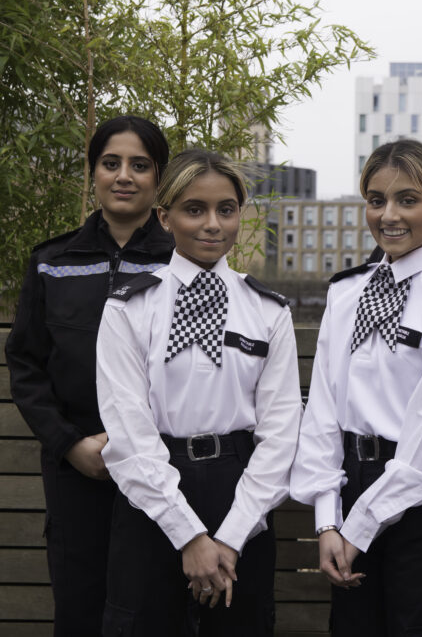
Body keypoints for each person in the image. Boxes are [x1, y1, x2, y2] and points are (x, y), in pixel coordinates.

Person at [96, 149, 301, 636]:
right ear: (165, 217)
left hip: (241, 492)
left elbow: (281, 431)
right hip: (153, 494)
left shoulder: (268, 311)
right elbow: (128, 431)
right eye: (194, 209)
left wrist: (229, 538)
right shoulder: (128, 308)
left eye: (226, 209)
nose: (213, 224)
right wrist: (188, 535)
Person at [290, 139, 422, 637]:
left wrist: (357, 528)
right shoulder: (345, 292)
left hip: (421, 499)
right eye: (376, 200)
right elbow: (324, 412)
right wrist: (327, 521)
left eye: (408, 199)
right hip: (350, 483)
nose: (389, 215)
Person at [5, 115, 174, 636]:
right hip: (78, 471)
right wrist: (70, 443)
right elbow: (27, 365)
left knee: (157, 609)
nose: (124, 176)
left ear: (159, 179)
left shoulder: (181, 263)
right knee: (81, 610)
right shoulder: (53, 263)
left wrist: (141, 446)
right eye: (111, 163)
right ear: (93, 173)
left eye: (140, 166)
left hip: (162, 471)